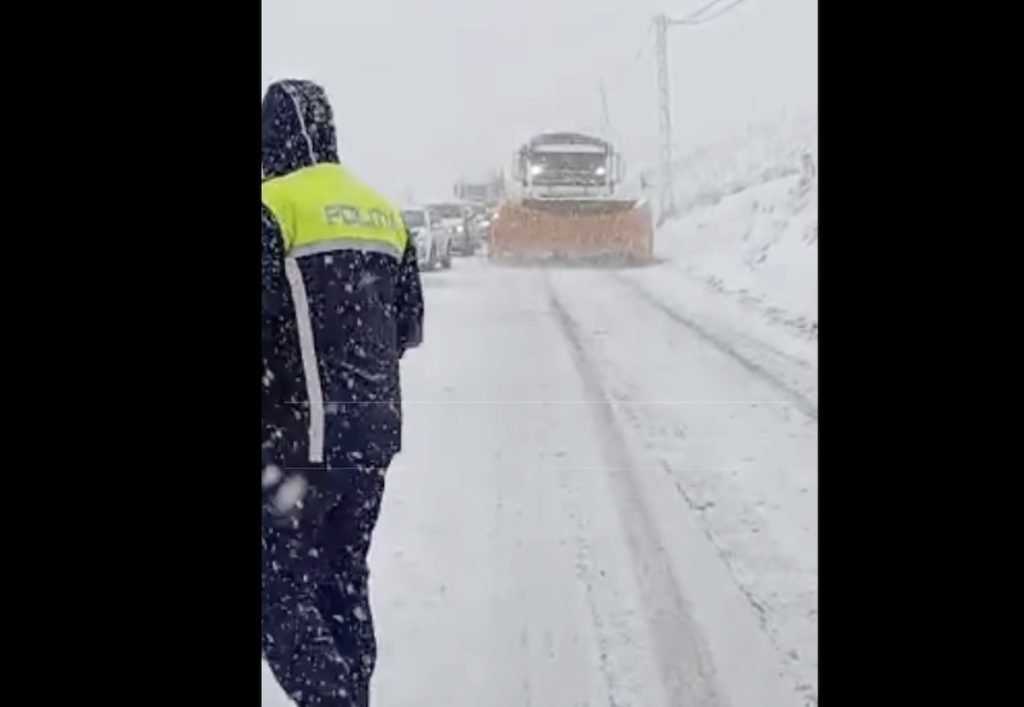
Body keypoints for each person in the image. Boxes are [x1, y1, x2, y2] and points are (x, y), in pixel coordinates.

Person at [261, 79, 424, 707]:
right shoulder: (381, 209)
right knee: (340, 582)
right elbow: (407, 327)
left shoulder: (272, 205)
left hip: (297, 440)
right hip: (372, 439)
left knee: (275, 590)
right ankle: (350, 693)